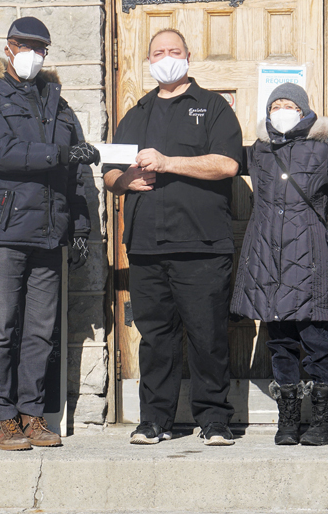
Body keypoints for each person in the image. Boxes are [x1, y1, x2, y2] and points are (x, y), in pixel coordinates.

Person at [103, 29, 243, 446]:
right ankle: (154, 420)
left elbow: (226, 165)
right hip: (146, 246)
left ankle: (215, 419)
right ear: (149, 61)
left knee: (208, 336)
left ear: (188, 57)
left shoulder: (213, 107)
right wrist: (125, 179)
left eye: (174, 52)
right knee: (156, 339)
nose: (166, 58)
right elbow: (110, 174)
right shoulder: (137, 112)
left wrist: (167, 162)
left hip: (202, 245)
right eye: (158, 53)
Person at [0, 16, 97, 451]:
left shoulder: (57, 102)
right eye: (26, 46)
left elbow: (77, 175)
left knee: (41, 329)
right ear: (8, 47)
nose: (33, 55)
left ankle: (32, 414)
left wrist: (79, 229)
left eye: (41, 48)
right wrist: (60, 152)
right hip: (3, 232)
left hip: (49, 231)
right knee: (0, 327)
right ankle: (2, 419)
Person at [231, 83, 328, 446]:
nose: (281, 109)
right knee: (279, 342)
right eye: (275, 104)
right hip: (268, 257)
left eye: (288, 104)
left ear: (304, 110)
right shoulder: (260, 151)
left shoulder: (325, 148)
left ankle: (325, 419)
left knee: (317, 339)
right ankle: (289, 419)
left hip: (309, 256)